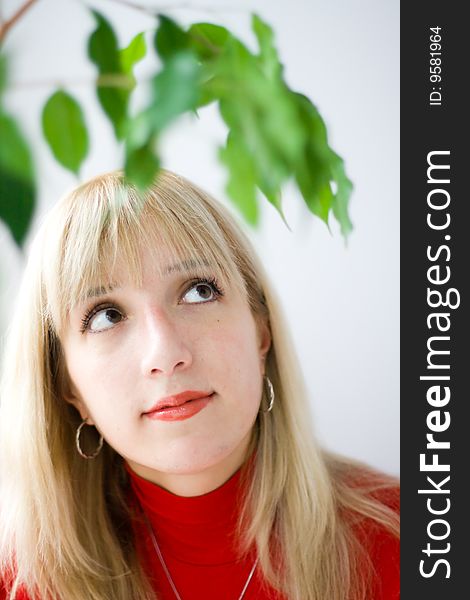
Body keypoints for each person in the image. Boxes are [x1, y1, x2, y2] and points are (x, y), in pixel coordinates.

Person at [0, 170, 399, 600]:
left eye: (198, 291)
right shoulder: (20, 584)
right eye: (106, 316)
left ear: (261, 332)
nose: (165, 353)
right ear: (68, 388)